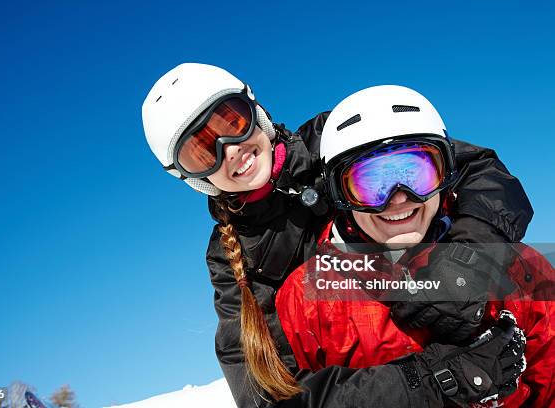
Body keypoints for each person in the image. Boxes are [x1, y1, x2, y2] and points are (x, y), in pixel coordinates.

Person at [141, 63, 535, 406]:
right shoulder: (233, 261)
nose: (230, 150)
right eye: (201, 151)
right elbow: (267, 394)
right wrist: (428, 381)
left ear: (254, 109)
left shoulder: (334, 138)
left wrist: (467, 263)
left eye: (231, 122)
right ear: (188, 177)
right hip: (371, 361)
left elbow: (473, 170)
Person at [275, 85, 554, 407]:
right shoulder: (305, 299)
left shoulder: (518, 269)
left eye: (415, 174)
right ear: (341, 196)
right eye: (369, 184)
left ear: (447, 173)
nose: (397, 199)